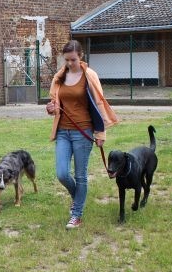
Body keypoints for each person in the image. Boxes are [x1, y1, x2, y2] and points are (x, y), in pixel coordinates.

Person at [46, 40, 118, 229]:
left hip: (83, 131)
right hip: (63, 131)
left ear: (81, 57)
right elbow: (55, 104)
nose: (70, 63)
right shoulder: (59, 77)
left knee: (80, 175)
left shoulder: (89, 76)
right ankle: (78, 197)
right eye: (67, 60)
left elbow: (99, 104)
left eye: (73, 60)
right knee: (62, 173)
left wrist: (101, 133)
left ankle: (76, 215)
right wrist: (51, 108)